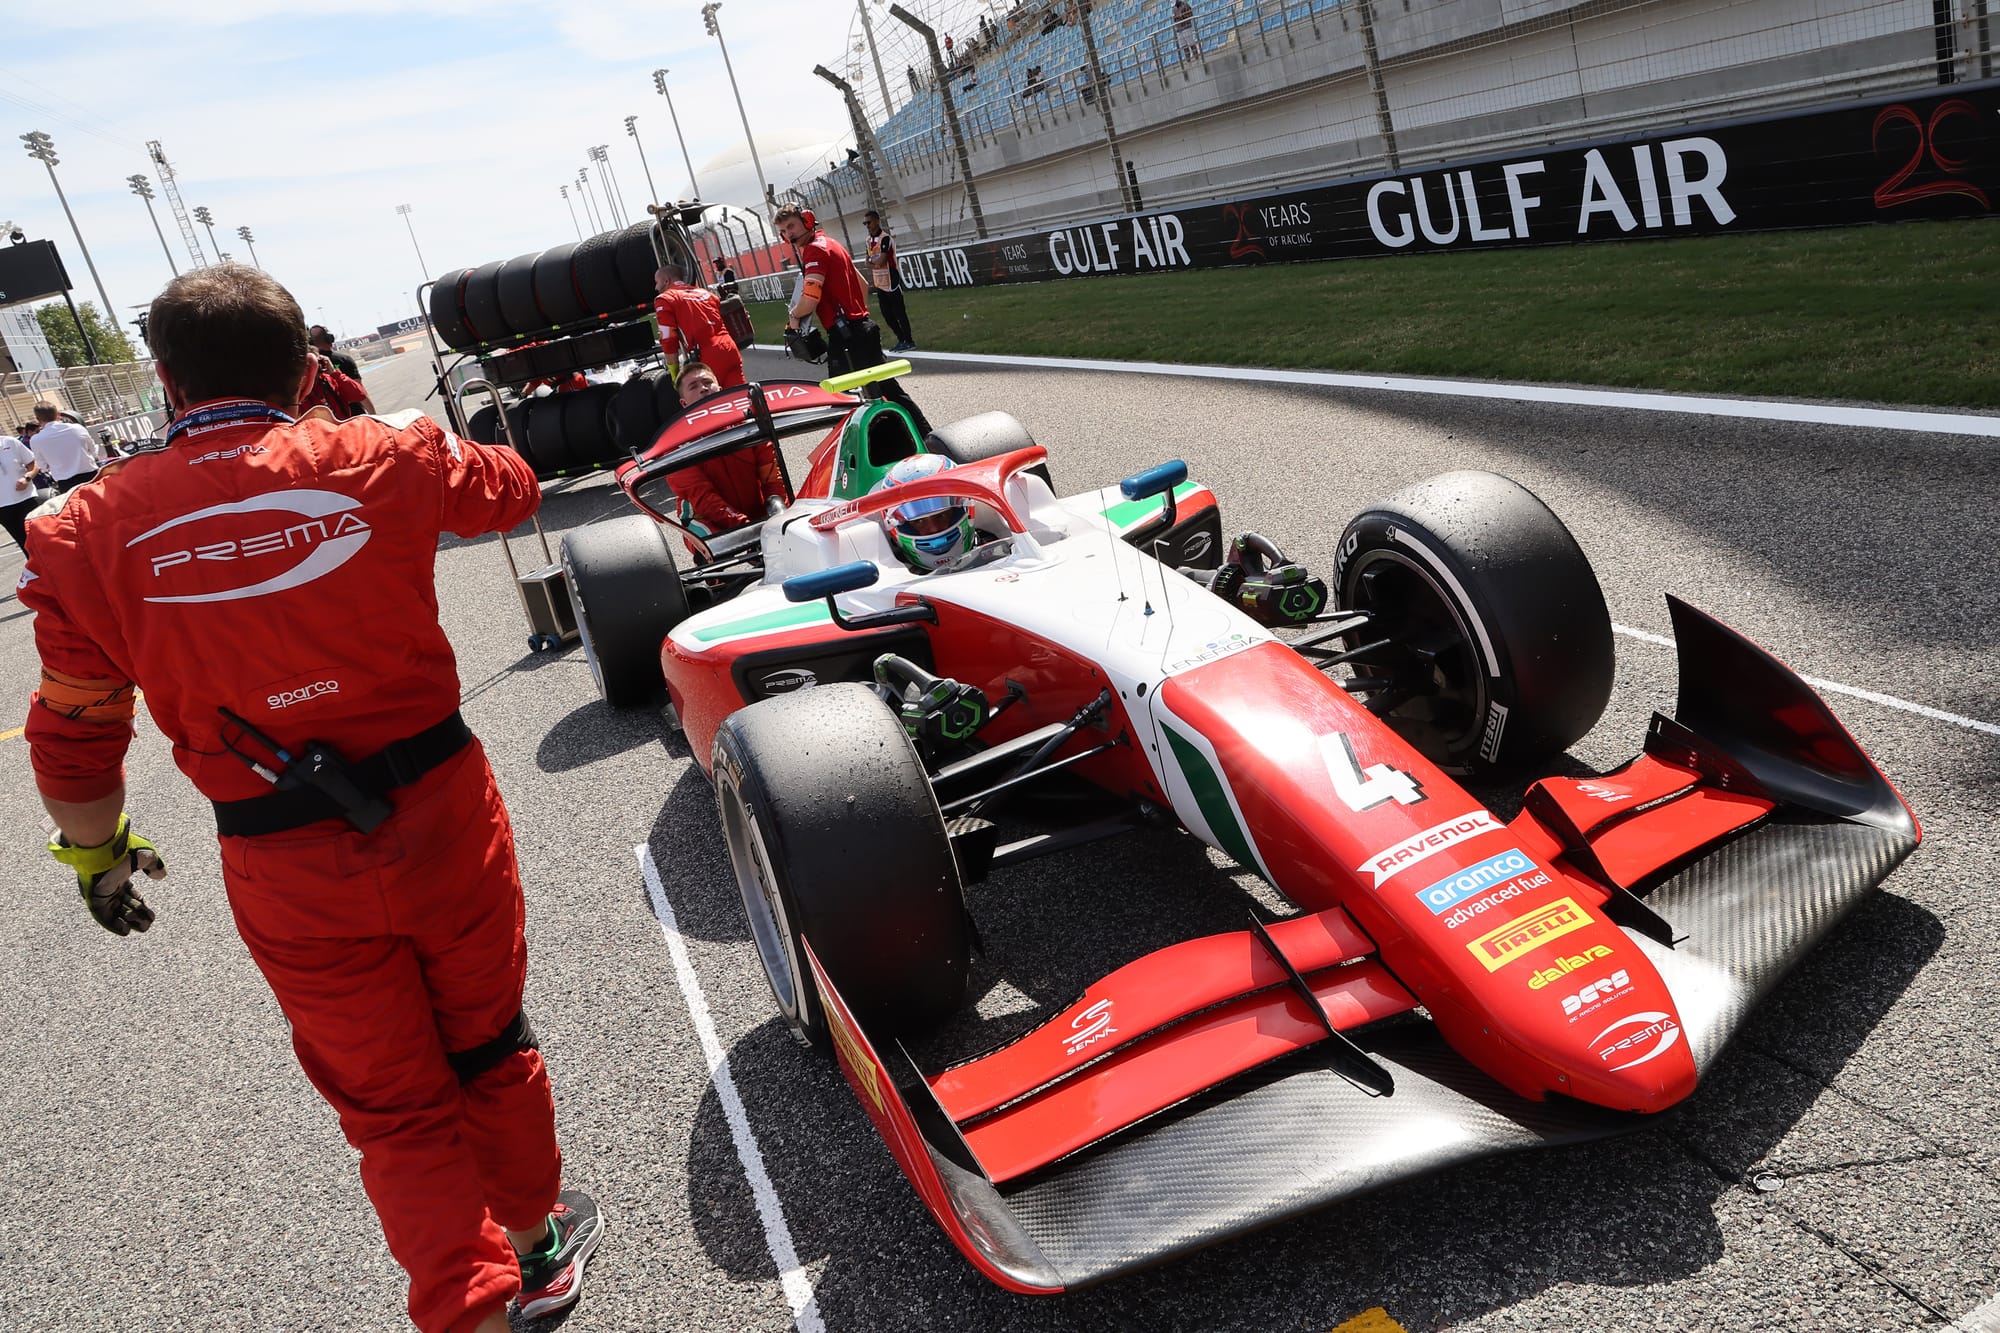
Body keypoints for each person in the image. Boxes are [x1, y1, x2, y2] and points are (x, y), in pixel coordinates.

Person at [19, 264, 603, 1333]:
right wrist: (383, 427)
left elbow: (74, 735)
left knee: (392, 1109)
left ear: (163, 377)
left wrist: (96, 857)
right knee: (489, 1041)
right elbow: (511, 487)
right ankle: (536, 1244)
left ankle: (469, 1305)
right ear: (303, 370)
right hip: (439, 817)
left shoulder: (81, 531)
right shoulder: (386, 450)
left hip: (285, 861)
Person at [775, 202, 928, 433]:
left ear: (807, 221)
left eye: (792, 226)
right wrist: (855, 316)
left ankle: (883, 451)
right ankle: (926, 437)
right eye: (784, 231)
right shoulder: (833, 243)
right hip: (860, 328)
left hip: (847, 336)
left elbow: (810, 299)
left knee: (840, 402)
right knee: (887, 391)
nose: (789, 235)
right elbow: (863, 284)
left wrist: (794, 316)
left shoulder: (815, 250)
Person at [663, 362, 786, 537]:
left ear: (720, 388)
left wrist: (777, 517)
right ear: (684, 403)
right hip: (707, 519)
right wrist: (747, 529)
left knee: (793, 508)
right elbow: (703, 499)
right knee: (705, 536)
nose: (703, 389)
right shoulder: (676, 448)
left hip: (755, 509)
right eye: (694, 386)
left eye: (707, 382)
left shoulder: (750, 427)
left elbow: (773, 478)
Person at [871, 454, 1002, 573]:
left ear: (965, 509)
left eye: (941, 515)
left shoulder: (1001, 543)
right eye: (919, 521)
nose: (933, 529)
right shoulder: (881, 575)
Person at [653, 263, 745, 389]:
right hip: (730, 349)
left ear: (666, 281)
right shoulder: (705, 293)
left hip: (706, 356)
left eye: (656, 282)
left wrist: (675, 374)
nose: (656, 287)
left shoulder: (665, 299)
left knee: (710, 404)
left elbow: (668, 339)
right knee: (741, 399)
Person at [863, 210, 916, 354]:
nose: (867, 225)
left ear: (877, 221)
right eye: (865, 223)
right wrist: (875, 263)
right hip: (879, 282)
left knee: (899, 312)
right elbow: (867, 262)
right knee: (887, 314)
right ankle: (901, 339)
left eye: (869, 222)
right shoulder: (868, 240)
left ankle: (909, 340)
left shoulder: (885, 238)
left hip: (891, 279)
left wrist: (874, 263)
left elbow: (882, 260)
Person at [27, 402, 98, 493]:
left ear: (38, 419)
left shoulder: (35, 440)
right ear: (58, 415)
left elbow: (43, 466)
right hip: (91, 475)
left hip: (66, 483)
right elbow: (93, 450)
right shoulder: (78, 428)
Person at [301, 351, 375, 419]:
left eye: (318, 363)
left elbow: (360, 394)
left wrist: (334, 373)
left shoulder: (329, 380)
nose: (317, 367)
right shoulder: (298, 390)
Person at [0, 428, 38, 552]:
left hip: (26, 498)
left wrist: (27, 477)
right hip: (3, 507)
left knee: (42, 539)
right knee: (26, 546)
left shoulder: (10, 442)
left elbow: (33, 463)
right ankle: (37, 571)